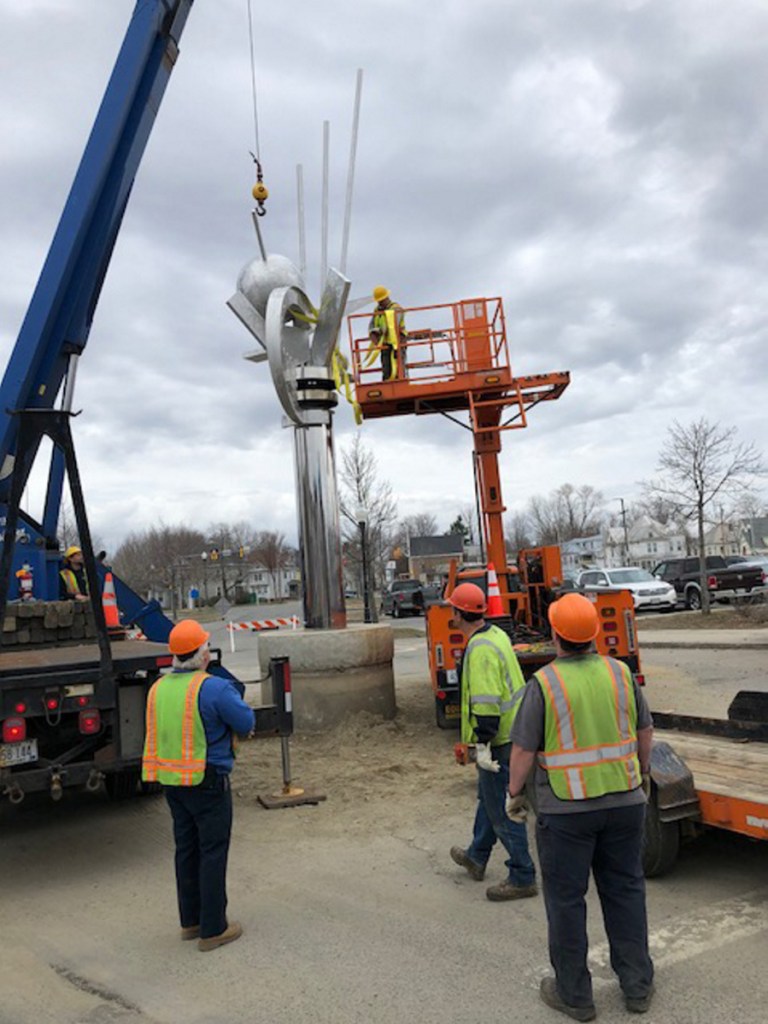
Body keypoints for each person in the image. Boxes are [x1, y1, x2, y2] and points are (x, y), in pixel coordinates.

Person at [508, 593, 654, 1021]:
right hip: (626, 802)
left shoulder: (546, 683)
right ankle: (637, 985)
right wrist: (640, 774)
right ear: (594, 634)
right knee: (626, 890)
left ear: (555, 636)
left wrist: (514, 792)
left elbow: (523, 750)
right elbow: (645, 730)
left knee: (567, 901)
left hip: (567, 811)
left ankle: (575, 995)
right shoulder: (621, 674)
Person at [142, 619, 255, 952]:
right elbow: (246, 721)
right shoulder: (213, 688)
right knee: (212, 851)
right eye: (206, 646)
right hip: (207, 781)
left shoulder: (157, 689)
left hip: (172, 782)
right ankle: (213, 929)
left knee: (186, 849)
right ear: (203, 654)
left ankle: (190, 921)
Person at [448, 581, 537, 901]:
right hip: (513, 733)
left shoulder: (480, 649)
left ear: (459, 613)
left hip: (498, 739)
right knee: (489, 800)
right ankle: (477, 855)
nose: (450, 613)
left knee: (504, 809)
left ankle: (523, 874)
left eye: (452, 608)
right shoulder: (496, 634)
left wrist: (482, 745)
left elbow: (486, 704)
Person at [367, 285, 407, 381]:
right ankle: (387, 382)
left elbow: (391, 325)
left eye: (381, 300)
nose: (380, 303)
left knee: (398, 368)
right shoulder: (377, 310)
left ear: (386, 297)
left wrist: (379, 330)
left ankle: (399, 382)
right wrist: (372, 333)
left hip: (397, 343)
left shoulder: (396, 309)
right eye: (378, 301)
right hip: (384, 344)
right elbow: (371, 326)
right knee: (386, 368)